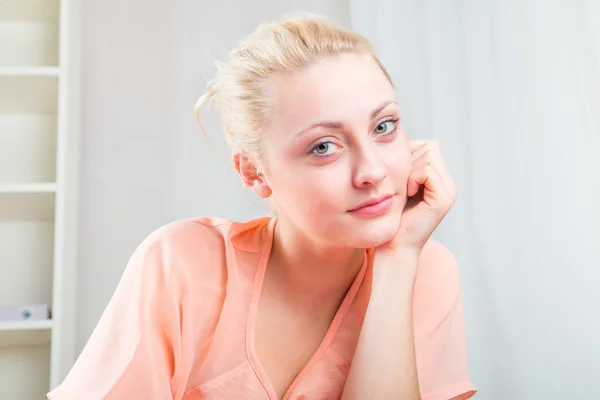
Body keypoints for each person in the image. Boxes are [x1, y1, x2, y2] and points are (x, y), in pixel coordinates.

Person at [48, 15, 477, 400]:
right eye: (324, 146)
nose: (372, 171)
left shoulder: (427, 273)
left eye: (384, 126)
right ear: (254, 172)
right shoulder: (181, 264)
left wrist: (398, 259)